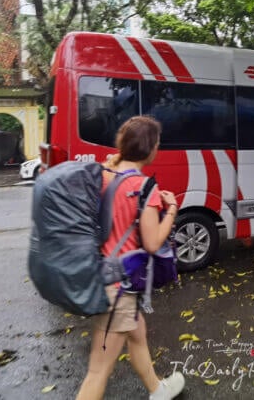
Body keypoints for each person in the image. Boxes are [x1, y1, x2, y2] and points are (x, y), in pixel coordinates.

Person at [76, 116, 185, 400]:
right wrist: (171, 209)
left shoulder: (103, 173)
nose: (157, 149)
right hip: (118, 290)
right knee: (98, 371)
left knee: (137, 334)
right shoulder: (144, 188)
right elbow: (152, 243)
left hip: (103, 276)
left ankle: (157, 389)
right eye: (157, 144)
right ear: (149, 148)